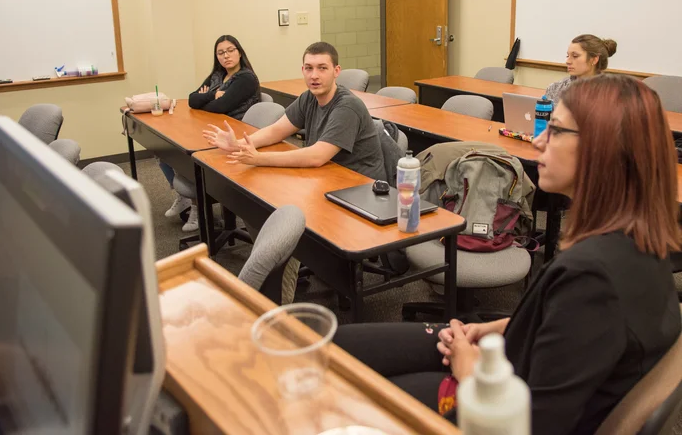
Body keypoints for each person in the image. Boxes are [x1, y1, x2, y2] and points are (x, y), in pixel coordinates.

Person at [333, 74, 681, 435]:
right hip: (512, 362)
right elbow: (568, 329)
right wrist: (499, 328)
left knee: (356, 398)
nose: (539, 139)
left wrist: (467, 368)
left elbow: (533, 426)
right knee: (341, 346)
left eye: (557, 131)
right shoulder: (640, 241)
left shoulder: (593, 279)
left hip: (498, 409)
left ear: (604, 150)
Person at [202, 41, 386, 181]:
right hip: (330, 174)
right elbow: (277, 130)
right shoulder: (309, 97)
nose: (314, 75)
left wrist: (259, 158)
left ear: (336, 71)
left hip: (361, 185)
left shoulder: (347, 106)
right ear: (303, 70)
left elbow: (316, 156)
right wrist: (238, 144)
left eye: (322, 68)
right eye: (309, 68)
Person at [161, 35, 260, 232]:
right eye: (221, 52)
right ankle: (186, 198)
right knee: (164, 153)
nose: (226, 56)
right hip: (213, 128)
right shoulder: (217, 76)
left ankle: (198, 209)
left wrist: (207, 100)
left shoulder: (246, 78)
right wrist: (212, 95)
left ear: (239, 52)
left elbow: (221, 107)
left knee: (189, 158)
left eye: (231, 50)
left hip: (234, 135)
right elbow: (191, 100)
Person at [545, 34, 617, 106]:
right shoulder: (555, 89)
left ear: (594, 60)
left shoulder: (611, 93)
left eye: (575, 56)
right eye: (568, 56)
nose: (568, 61)